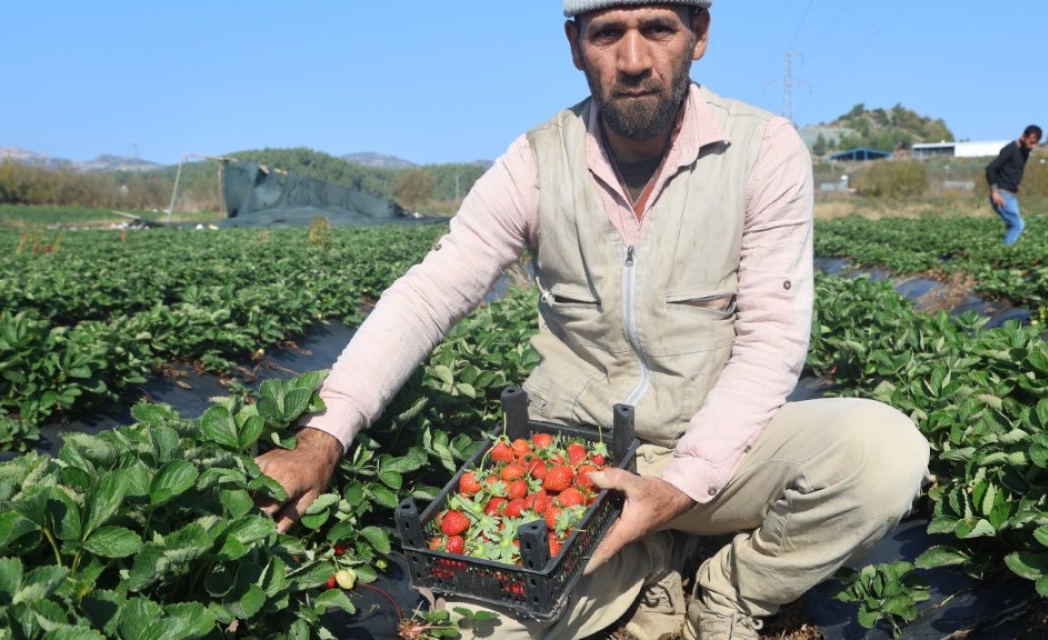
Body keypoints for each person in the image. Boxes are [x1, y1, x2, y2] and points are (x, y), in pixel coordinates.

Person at [256, 2, 930, 638]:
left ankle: (731, 592)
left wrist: (674, 488)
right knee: (470, 630)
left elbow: (772, 341)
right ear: (576, 45)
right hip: (578, 464)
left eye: (658, 28)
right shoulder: (538, 160)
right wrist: (323, 439)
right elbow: (431, 292)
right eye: (607, 33)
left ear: (700, 32)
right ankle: (649, 566)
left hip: (718, 449)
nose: (633, 58)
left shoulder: (762, 149)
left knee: (881, 453)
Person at [985, 125, 1042, 245]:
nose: (1033, 146)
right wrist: (994, 192)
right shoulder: (1010, 150)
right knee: (1018, 225)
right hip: (1002, 194)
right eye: (1031, 142)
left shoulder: (1024, 151)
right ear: (1023, 136)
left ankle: (1005, 253)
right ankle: (1004, 254)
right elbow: (990, 169)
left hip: (1011, 195)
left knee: (1013, 226)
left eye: (1035, 143)